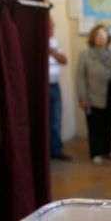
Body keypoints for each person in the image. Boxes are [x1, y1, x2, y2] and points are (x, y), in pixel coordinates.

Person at [76, 24, 111, 165]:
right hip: (93, 96)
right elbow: (80, 78)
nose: (102, 38)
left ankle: (107, 150)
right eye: (99, 35)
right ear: (93, 37)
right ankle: (96, 152)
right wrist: (82, 98)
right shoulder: (85, 54)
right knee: (94, 126)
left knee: (108, 125)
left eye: (104, 36)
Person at [48, 16, 72, 161]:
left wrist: (52, 51)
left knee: (56, 119)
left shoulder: (54, 43)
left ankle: (56, 150)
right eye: (50, 26)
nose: (52, 29)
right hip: (42, 88)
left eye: (53, 26)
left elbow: (64, 60)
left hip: (54, 85)